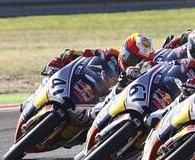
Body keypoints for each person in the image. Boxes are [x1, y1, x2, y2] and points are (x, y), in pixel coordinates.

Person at [21, 33, 156, 113]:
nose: (133, 63)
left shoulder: (138, 78)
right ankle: (31, 101)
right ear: (124, 51)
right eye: (132, 58)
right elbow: (88, 54)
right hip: (84, 86)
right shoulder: (111, 54)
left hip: (100, 105)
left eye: (139, 61)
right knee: (55, 66)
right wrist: (70, 54)